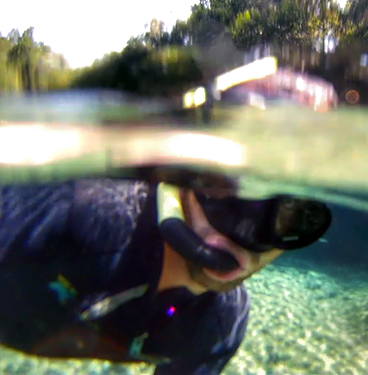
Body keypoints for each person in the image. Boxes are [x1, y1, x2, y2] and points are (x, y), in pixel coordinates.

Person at [0, 68, 336, 374]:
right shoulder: (76, 220)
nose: (246, 239)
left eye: (291, 219)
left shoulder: (218, 327)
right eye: (228, 195)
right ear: (188, 172)